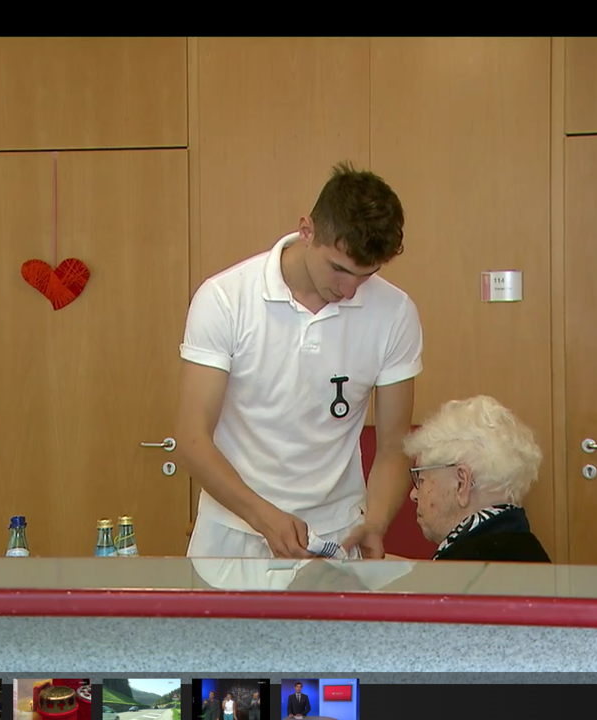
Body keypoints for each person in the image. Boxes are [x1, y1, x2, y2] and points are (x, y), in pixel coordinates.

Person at [175, 161, 423, 560]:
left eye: (365, 275)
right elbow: (191, 439)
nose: (349, 289)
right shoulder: (224, 299)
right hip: (232, 534)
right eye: (338, 269)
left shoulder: (395, 312)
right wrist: (263, 517)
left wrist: (376, 522)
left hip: (337, 535)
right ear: (307, 230)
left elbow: (394, 445)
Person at [404, 395, 551, 562]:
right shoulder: (530, 551)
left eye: (421, 479)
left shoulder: (461, 567)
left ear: (461, 483)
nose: (413, 494)